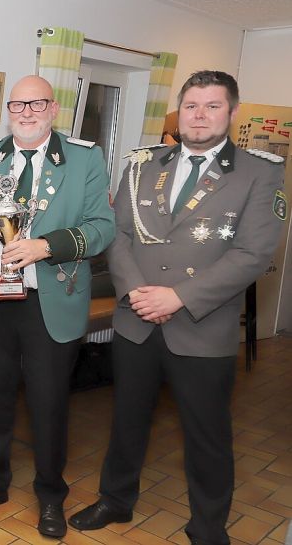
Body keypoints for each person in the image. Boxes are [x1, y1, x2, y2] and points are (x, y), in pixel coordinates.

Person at [70, 70, 287, 545]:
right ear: (179, 111)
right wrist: (134, 293)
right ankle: (116, 499)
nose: (200, 115)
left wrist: (178, 297)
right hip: (137, 321)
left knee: (207, 436)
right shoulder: (144, 164)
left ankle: (208, 527)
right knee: (126, 420)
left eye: (212, 106)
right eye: (191, 105)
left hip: (202, 326)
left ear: (231, 112)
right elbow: (120, 233)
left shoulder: (260, 172)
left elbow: (253, 254)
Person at [0, 75, 115, 538]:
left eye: (37, 104)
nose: (26, 112)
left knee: (48, 405)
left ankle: (51, 496)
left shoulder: (84, 159)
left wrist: (46, 246)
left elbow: (102, 227)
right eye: (18, 105)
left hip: (52, 299)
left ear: (53, 108)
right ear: (9, 109)